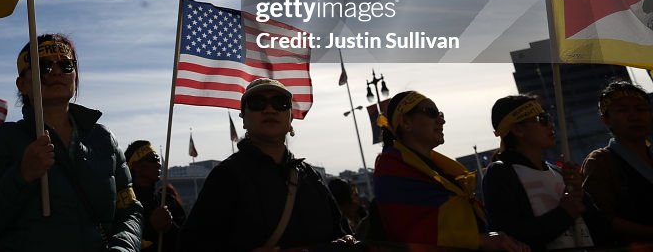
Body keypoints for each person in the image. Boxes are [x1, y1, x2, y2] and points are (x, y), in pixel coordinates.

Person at [0, 34, 142, 251]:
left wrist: (122, 248)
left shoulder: (104, 140)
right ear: (22, 84)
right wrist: (21, 176)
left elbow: (130, 211)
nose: (56, 71)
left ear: (76, 77)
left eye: (66, 65)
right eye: (43, 66)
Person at [178, 78, 353, 252]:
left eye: (280, 103)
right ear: (244, 119)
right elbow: (192, 244)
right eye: (257, 103)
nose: (269, 109)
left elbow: (342, 234)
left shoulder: (311, 177)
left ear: (290, 117)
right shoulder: (226, 176)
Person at [372, 90, 526, 251]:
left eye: (440, 113)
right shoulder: (392, 172)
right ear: (406, 122)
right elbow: (414, 235)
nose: (441, 120)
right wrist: (482, 240)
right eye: (431, 113)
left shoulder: (437, 169)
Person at [483, 95, 607, 250]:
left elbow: (600, 228)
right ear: (518, 129)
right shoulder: (500, 174)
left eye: (548, 117)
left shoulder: (558, 172)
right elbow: (511, 238)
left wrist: (579, 192)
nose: (550, 124)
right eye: (541, 119)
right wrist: (564, 213)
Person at [582, 80, 653, 242]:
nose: (634, 116)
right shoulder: (600, 161)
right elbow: (600, 217)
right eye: (622, 110)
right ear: (605, 119)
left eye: (640, 109)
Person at [123, 140, 186, 250]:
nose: (159, 164)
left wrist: (169, 227)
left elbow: (189, 240)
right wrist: (151, 227)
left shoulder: (168, 200)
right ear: (136, 165)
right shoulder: (124, 205)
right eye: (154, 159)